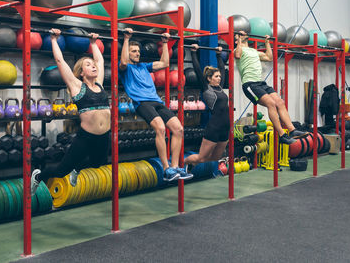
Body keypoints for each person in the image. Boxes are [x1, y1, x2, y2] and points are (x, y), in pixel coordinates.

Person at [31, 29, 110, 195]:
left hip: (104, 135)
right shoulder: (76, 86)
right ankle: (39, 176)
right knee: (61, 171)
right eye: (88, 65)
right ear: (81, 73)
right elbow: (60, 61)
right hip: (86, 137)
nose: (93, 66)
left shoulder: (100, 84)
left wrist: (94, 43)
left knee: (97, 163)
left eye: (93, 64)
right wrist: (54, 40)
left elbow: (100, 61)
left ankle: (77, 169)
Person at [120, 28, 192, 181]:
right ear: (128, 52)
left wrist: (165, 43)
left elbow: (165, 63)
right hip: (141, 103)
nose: (137, 53)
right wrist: (126, 39)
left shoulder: (144, 66)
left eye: (138, 51)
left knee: (178, 129)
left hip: (156, 101)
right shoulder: (125, 68)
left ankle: (174, 167)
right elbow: (124, 61)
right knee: (160, 128)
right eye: (133, 51)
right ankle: (166, 169)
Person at [234, 31, 306, 144]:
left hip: (261, 83)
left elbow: (269, 57)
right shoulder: (237, 50)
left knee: (280, 102)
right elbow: (237, 55)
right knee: (271, 103)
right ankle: (282, 135)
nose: (244, 34)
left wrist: (267, 43)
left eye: (244, 33)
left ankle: (292, 130)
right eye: (240, 33)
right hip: (249, 85)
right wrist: (238, 41)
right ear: (237, 38)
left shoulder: (254, 51)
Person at [185, 44, 229, 166]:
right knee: (201, 158)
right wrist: (193, 52)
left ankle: (189, 165)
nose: (219, 78)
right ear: (209, 79)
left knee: (216, 158)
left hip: (225, 128)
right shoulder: (207, 89)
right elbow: (198, 71)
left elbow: (221, 67)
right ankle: (182, 163)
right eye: (216, 76)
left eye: (220, 76)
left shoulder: (220, 88)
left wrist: (219, 54)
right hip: (214, 128)